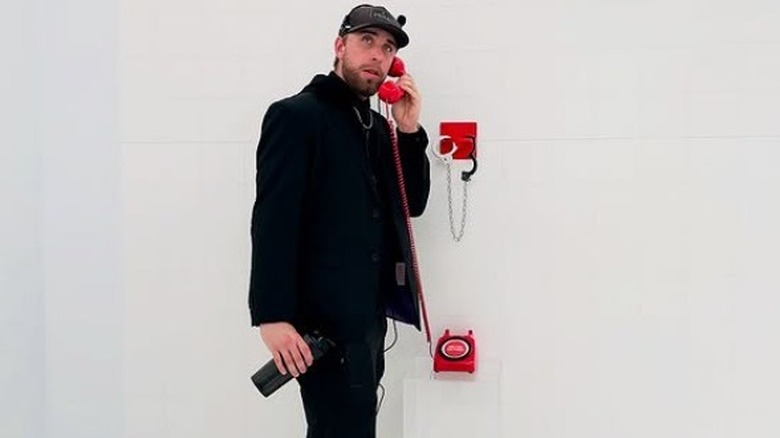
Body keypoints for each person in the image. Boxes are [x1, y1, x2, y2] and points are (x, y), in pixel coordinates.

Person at [248, 4, 430, 437]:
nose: (377, 56)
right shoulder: (296, 116)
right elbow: (273, 219)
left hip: (368, 321)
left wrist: (408, 130)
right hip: (321, 323)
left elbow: (413, 203)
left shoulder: (376, 127)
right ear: (339, 46)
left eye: (387, 48)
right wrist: (271, 315)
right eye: (366, 41)